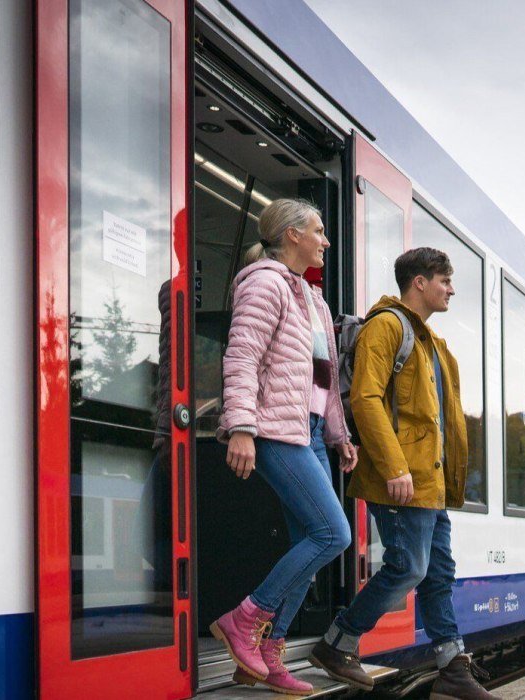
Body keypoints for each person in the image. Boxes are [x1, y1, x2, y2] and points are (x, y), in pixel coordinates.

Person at [309, 247, 496, 700]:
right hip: (401, 478)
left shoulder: (432, 343)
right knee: (408, 567)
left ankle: (453, 669)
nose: (451, 290)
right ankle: (337, 643)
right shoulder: (387, 326)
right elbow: (366, 398)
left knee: (439, 573)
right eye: (445, 280)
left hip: (429, 482)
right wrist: (394, 466)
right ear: (420, 282)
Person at [212, 198, 358, 697]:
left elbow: (324, 381)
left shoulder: (313, 299)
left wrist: (339, 435)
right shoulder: (265, 282)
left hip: (309, 432)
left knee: (308, 547)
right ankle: (244, 619)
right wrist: (241, 426)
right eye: (319, 231)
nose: (326, 241)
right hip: (274, 429)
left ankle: (266, 657)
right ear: (292, 235)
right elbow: (242, 356)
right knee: (333, 534)